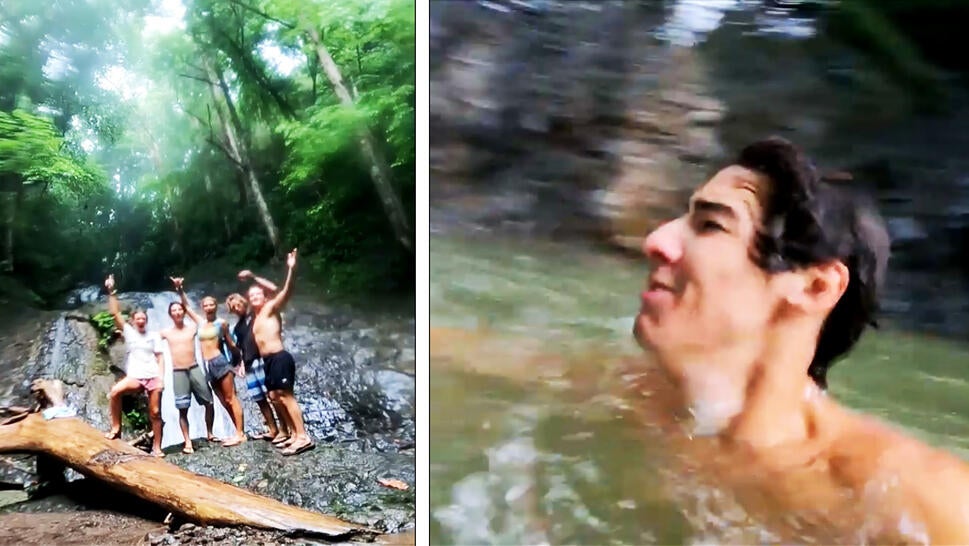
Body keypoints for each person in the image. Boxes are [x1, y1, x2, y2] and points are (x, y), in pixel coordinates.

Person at [632, 136, 969, 543]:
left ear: (815, 287)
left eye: (711, 225)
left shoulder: (920, 498)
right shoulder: (630, 397)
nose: (656, 241)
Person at [245, 249, 314, 456]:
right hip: (267, 362)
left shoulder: (270, 308)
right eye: (252, 295)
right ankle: (292, 433)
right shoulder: (255, 318)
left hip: (279, 357)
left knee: (285, 396)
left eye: (258, 294)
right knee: (274, 396)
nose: (255, 297)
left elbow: (286, 291)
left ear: (265, 297)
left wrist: (291, 269)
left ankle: (303, 437)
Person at [171, 278, 247, 447]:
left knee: (231, 398)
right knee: (222, 401)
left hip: (220, 362)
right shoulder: (200, 322)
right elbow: (187, 308)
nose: (208, 307)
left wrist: (240, 362)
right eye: (205, 305)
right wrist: (180, 289)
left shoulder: (222, 323)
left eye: (211, 304)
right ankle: (237, 431)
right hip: (207, 366)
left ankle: (240, 434)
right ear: (203, 308)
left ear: (215, 306)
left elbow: (231, 344)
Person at [102, 274, 165, 457]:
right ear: (133, 320)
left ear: (146, 320)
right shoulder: (128, 332)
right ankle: (116, 428)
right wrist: (111, 291)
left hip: (153, 376)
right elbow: (115, 313)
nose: (140, 320)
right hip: (136, 377)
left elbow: (160, 357)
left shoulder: (153, 336)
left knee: (155, 412)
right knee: (115, 392)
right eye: (137, 318)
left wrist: (161, 378)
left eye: (143, 318)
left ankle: (157, 447)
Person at [158, 284, 218, 454]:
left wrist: (180, 291)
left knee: (209, 402)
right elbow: (146, 339)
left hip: (194, 368)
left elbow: (196, 314)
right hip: (178, 373)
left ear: (183, 312)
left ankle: (210, 433)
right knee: (182, 409)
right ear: (170, 314)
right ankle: (187, 442)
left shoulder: (192, 328)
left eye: (179, 309)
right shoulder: (166, 332)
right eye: (174, 310)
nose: (177, 312)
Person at [225, 291, 287, 443]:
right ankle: (273, 429)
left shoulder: (256, 315)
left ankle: (285, 429)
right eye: (234, 307)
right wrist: (240, 364)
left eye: (239, 304)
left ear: (244, 303)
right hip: (249, 364)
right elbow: (240, 348)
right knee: (259, 399)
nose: (237, 308)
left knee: (273, 397)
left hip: (262, 360)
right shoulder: (238, 327)